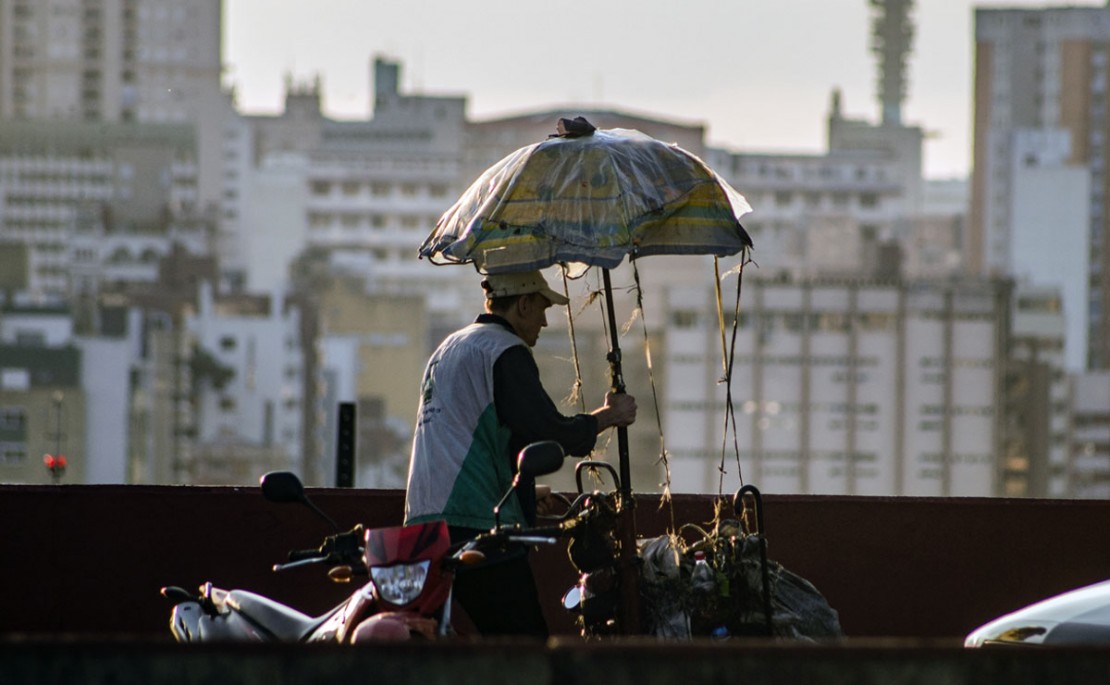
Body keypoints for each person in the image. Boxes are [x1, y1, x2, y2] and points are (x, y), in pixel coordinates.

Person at [404, 269, 637, 637]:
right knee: (526, 650)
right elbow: (549, 431)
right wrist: (609, 416)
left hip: (424, 525)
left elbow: (479, 440)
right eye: (542, 308)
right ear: (524, 304)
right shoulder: (504, 350)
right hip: (476, 526)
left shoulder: (449, 348)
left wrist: (525, 491)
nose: (545, 321)